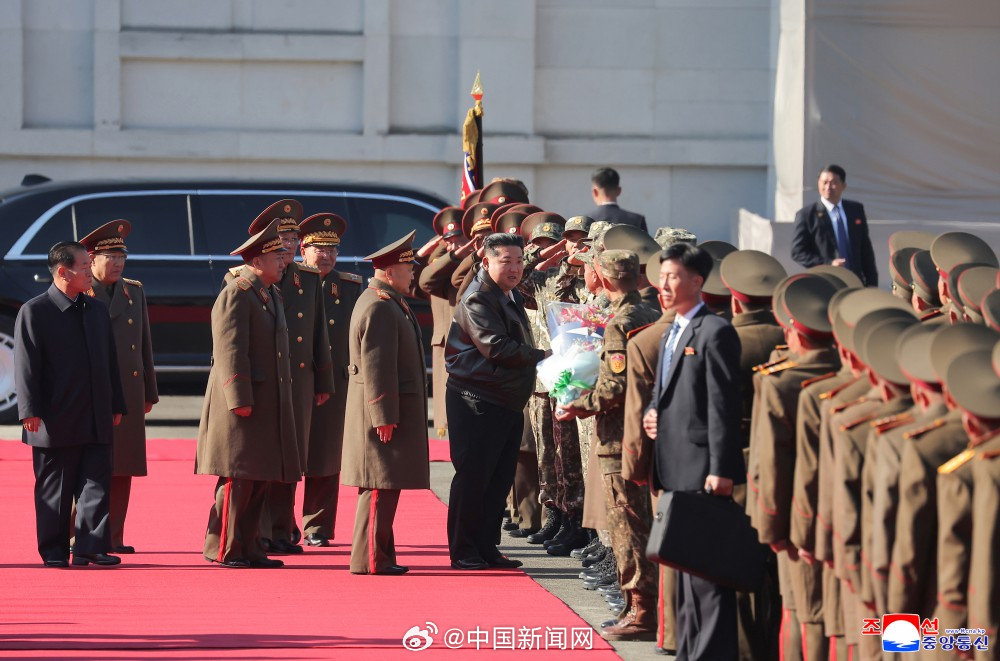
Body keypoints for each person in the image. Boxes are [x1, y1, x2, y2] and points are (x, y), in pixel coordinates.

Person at [642, 242, 744, 660]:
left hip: (703, 468)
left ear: (697, 282)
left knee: (707, 576)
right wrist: (652, 413)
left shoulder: (715, 331)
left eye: (673, 277)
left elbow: (723, 405)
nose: (664, 284)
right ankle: (689, 651)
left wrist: (720, 468)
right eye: (662, 276)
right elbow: (664, 391)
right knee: (684, 572)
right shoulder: (672, 330)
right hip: (674, 465)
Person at [555, 249, 661, 641]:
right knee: (638, 524)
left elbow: (614, 387)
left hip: (618, 438)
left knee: (627, 527)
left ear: (603, 277)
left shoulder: (620, 323)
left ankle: (641, 611)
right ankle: (640, 607)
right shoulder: (649, 312)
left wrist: (576, 405)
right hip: (641, 433)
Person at [229, 199, 333, 554]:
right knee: (260, 459)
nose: (288, 244)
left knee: (291, 459)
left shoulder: (308, 279)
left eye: (292, 237)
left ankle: (281, 529)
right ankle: (256, 532)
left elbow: (319, 335)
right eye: (281, 238)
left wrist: (324, 381)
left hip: (299, 382)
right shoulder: (245, 281)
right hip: (266, 382)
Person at [15, 241, 126, 567]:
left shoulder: (96, 310)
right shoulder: (35, 311)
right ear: (63, 272)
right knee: (56, 490)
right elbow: (26, 367)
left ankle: (90, 547)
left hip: (95, 414)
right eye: (83, 265)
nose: (89, 271)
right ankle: (54, 552)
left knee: (96, 483)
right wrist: (29, 411)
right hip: (54, 419)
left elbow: (110, 362)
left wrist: (116, 402)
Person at [196, 218, 299, 569]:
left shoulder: (270, 293)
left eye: (284, 255)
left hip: (265, 403)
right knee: (238, 479)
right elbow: (229, 351)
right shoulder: (237, 294)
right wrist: (239, 398)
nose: (284, 261)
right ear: (257, 262)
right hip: (240, 404)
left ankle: (251, 545)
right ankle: (225, 547)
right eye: (277, 256)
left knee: (258, 479)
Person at [445, 232, 548, 570]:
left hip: (504, 399)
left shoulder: (508, 293)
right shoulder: (479, 297)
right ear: (486, 261)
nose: (515, 267)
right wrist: (545, 355)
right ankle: (463, 550)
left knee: (499, 478)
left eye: (519, 260)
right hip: (477, 399)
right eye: (506, 260)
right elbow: (496, 347)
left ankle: (487, 547)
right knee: (474, 477)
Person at [340, 231, 429, 575]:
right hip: (382, 413)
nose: (413, 274)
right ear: (391, 271)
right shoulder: (379, 305)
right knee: (379, 485)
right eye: (408, 268)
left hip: (388, 410)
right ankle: (371, 559)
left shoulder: (388, 300)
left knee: (385, 485)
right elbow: (376, 368)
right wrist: (383, 415)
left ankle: (381, 555)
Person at [79, 220, 158, 554]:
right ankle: (79, 535)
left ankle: (112, 536)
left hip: (128, 392)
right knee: (89, 468)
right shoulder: (82, 292)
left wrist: (150, 392)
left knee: (122, 466)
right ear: (92, 259)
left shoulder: (133, 291)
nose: (118, 263)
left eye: (122, 256)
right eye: (110, 256)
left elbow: (144, 346)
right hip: (91, 395)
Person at [297, 212, 363, 547]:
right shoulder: (287, 281)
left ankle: (317, 526)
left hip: (334, 384)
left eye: (332, 249)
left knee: (325, 455)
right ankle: (277, 525)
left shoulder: (349, 286)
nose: (326, 256)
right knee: (287, 454)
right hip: (294, 381)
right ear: (302, 249)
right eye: (318, 248)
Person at [791, 165, 878, 287]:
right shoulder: (807, 215)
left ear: (843, 185)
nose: (828, 187)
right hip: (825, 283)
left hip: (855, 282)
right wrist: (828, 264)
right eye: (824, 182)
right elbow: (797, 252)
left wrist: (872, 283)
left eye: (833, 183)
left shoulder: (855, 210)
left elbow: (865, 249)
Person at [587, 167, 647, 233]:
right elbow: (646, 243)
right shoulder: (637, 220)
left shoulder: (586, 221)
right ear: (619, 190)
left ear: (595, 192)